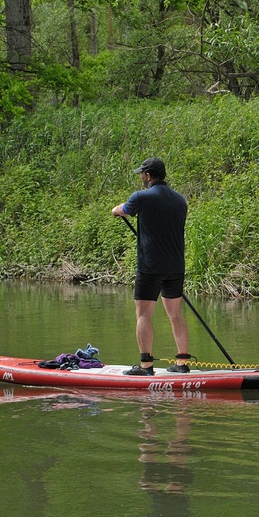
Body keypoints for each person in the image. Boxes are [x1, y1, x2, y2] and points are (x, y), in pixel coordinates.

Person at [112, 157, 191, 375]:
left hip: (150, 266)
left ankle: (146, 366)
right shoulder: (180, 200)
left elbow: (123, 210)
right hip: (175, 266)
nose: (141, 178)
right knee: (175, 314)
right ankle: (182, 363)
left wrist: (116, 209)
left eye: (142, 174)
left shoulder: (141, 197)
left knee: (143, 314)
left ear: (148, 176)